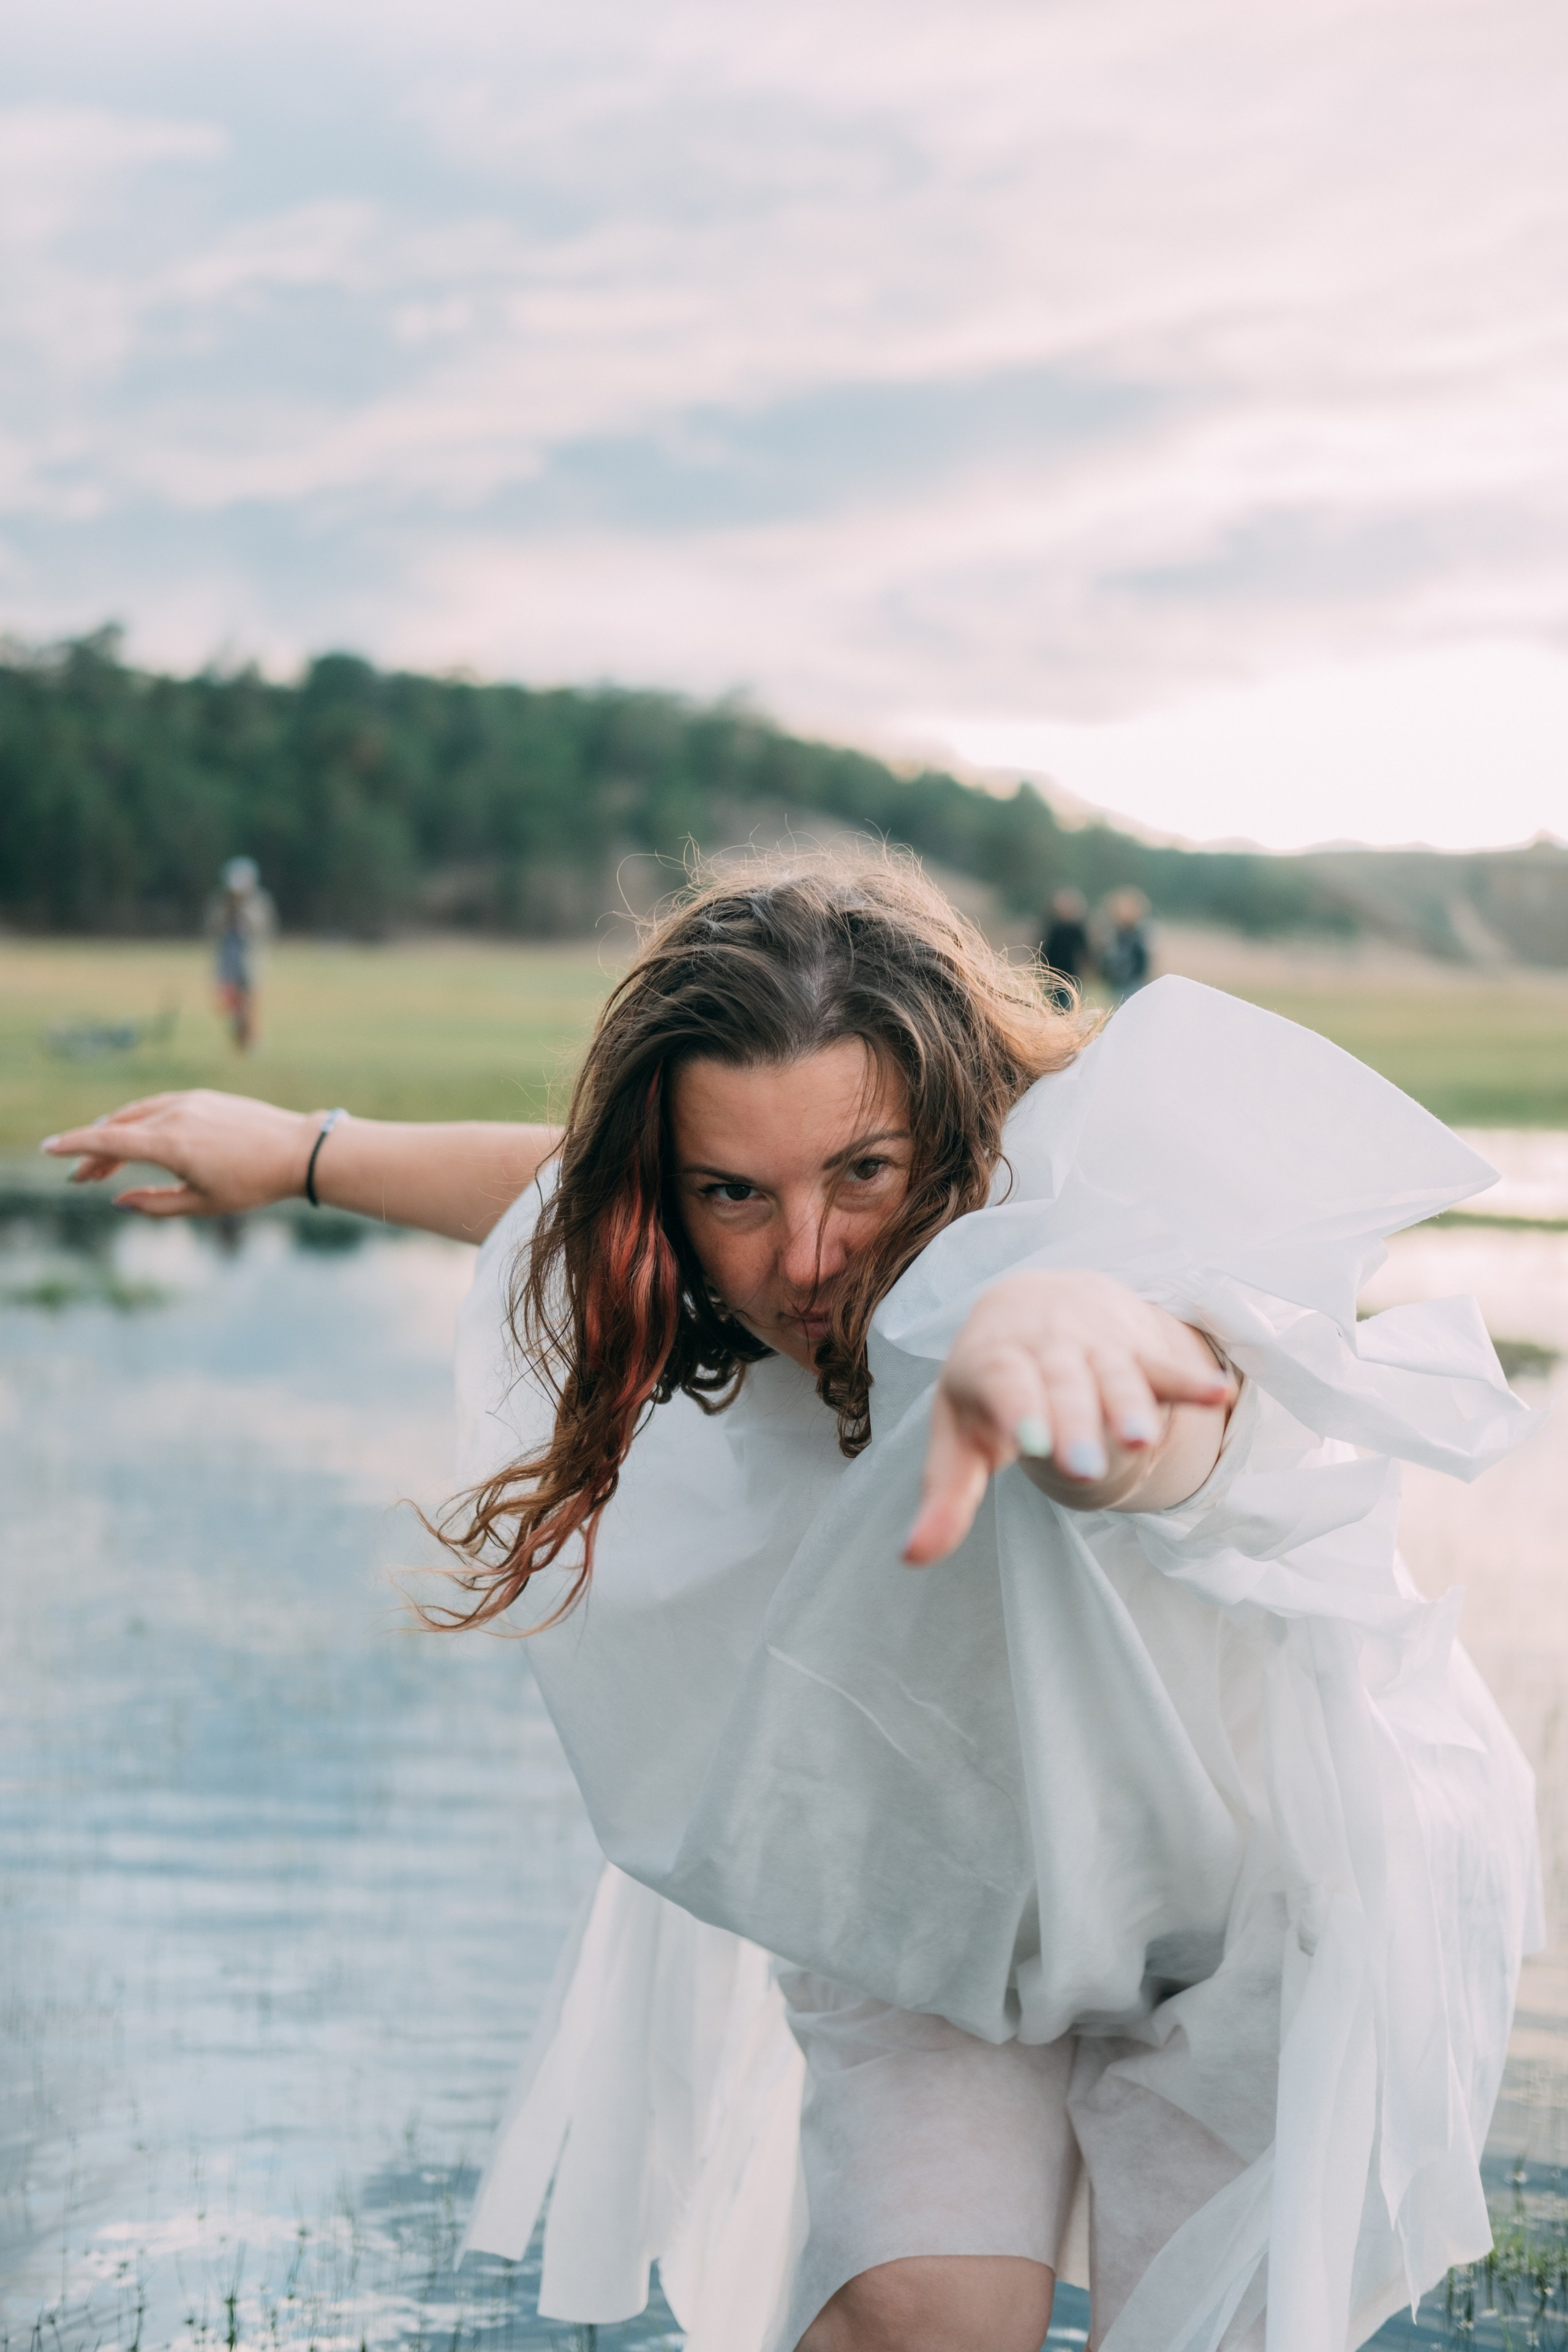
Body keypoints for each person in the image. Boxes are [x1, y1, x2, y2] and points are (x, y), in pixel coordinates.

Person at [42, 853, 1539, 2352]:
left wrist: (1045, 1350)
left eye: (862, 1174)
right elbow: (552, 1188)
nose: (808, 1254)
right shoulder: (700, 1231)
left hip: (1246, 1916)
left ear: (950, 1134)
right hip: (938, 1883)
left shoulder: (1096, 1236)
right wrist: (303, 1150)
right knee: (910, 2317)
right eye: (733, 1193)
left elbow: (1160, 1417)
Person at [204, 854, 276, 1051]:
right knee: (229, 1003)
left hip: (249, 960)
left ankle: (251, 1040)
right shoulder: (221, 903)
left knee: (249, 1003)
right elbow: (213, 929)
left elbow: (261, 929)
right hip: (228, 959)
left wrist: (243, 909)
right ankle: (240, 1038)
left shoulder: (259, 902)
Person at [1039, 885, 1092, 1006]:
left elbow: (1084, 950)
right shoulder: (1053, 927)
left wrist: (1087, 967)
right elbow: (1045, 950)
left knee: (1069, 1002)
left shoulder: (1077, 929)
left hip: (1071, 973)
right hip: (1054, 972)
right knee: (1056, 1002)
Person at [1098, 887, 1152, 1001]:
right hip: (1115, 981)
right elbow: (1106, 956)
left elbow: (1143, 958)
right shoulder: (1112, 932)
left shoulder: (1140, 933)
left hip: (1133, 981)